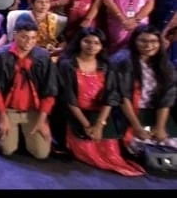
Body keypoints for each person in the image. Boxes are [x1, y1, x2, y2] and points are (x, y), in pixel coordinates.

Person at [58, 27, 145, 176]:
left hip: (101, 115)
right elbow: (68, 98)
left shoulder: (106, 66)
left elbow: (111, 96)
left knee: (112, 155)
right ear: (79, 42)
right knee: (89, 153)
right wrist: (87, 125)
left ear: (101, 46)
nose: (91, 46)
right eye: (87, 41)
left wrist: (99, 125)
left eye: (96, 43)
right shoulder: (67, 64)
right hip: (75, 114)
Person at [0, 17, 58, 160]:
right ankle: (2, 128)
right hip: (9, 110)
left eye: (33, 38)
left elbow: (50, 91)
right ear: (15, 35)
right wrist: (2, 116)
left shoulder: (43, 57)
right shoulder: (1, 56)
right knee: (7, 149)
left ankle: (25, 137)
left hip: (33, 111)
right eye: (24, 37)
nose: (29, 42)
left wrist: (42, 120)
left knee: (41, 153)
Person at [112, 25, 177, 157]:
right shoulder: (123, 61)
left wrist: (160, 127)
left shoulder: (164, 64)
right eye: (143, 41)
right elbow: (123, 97)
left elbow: (167, 98)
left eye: (153, 41)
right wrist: (137, 128)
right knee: (142, 148)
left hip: (152, 113)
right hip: (126, 113)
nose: (148, 45)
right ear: (134, 41)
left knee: (169, 143)